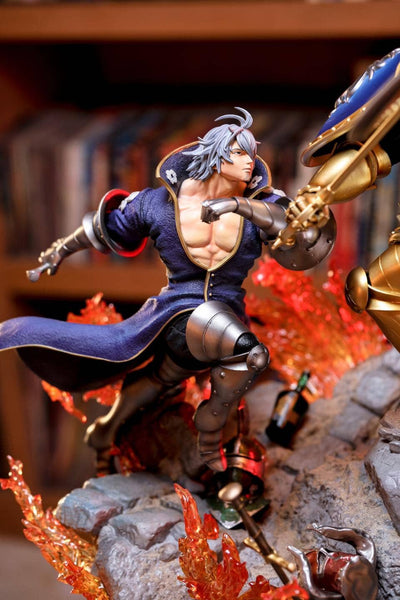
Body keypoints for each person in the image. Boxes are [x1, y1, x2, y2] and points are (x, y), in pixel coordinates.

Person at [0, 107, 336, 474]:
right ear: (217, 153)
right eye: (239, 153)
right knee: (250, 353)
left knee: (160, 381)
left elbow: (292, 229)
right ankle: (208, 434)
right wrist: (60, 250)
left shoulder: (261, 204)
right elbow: (106, 227)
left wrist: (238, 205)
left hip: (224, 317)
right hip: (174, 314)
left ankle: (106, 429)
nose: (248, 162)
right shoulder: (159, 203)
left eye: (251, 154)